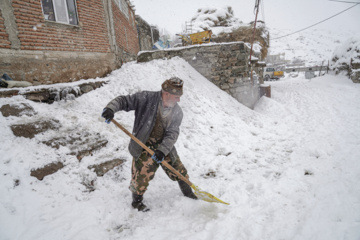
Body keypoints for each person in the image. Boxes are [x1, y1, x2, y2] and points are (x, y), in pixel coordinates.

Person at [101, 77, 197, 212]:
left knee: (179, 170)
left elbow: (172, 133)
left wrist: (162, 151)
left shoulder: (177, 111)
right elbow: (123, 101)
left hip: (163, 145)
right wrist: (111, 109)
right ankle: (137, 202)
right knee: (141, 175)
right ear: (166, 93)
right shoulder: (146, 98)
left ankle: (188, 193)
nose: (179, 100)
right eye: (176, 97)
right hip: (142, 144)